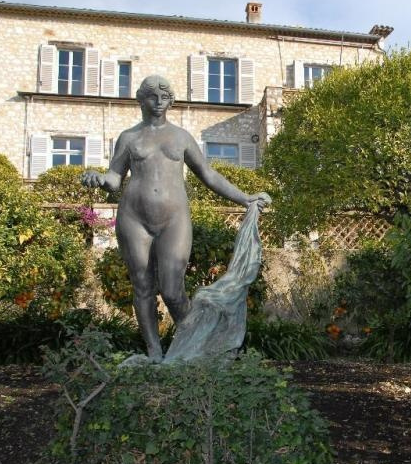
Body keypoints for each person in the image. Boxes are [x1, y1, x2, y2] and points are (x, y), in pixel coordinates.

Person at [82, 75, 270, 361]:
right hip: (133, 219)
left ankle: (193, 349)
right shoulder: (129, 138)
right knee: (143, 287)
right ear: (140, 99)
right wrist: (99, 178)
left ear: (171, 101)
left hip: (174, 219)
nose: (159, 102)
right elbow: (114, 179)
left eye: (165, 97)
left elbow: (208, 174)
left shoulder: (181, 137)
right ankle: (155, 353)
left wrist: (245, 198)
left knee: (172, 291)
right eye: (152, 97)